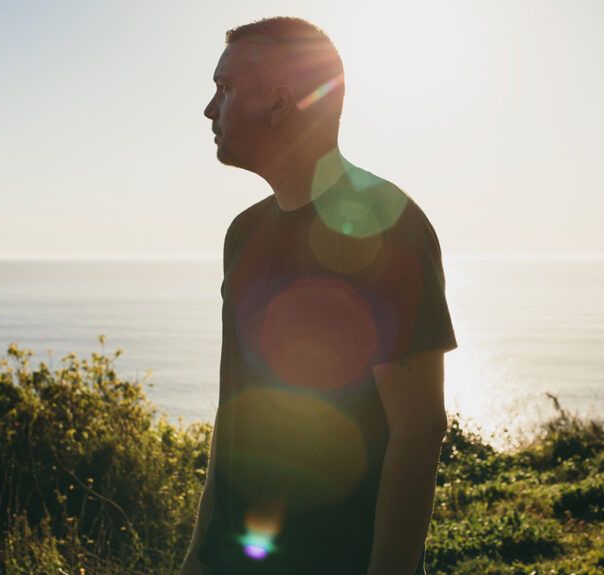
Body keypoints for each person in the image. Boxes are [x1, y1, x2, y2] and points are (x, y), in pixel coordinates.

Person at [179, 17, 457, 575]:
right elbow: (234, 412)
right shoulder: (244, 234)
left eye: (225, 89)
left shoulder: (385, 224)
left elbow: (418, 429)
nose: (210, 110)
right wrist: (199, 557)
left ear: (281, 102)